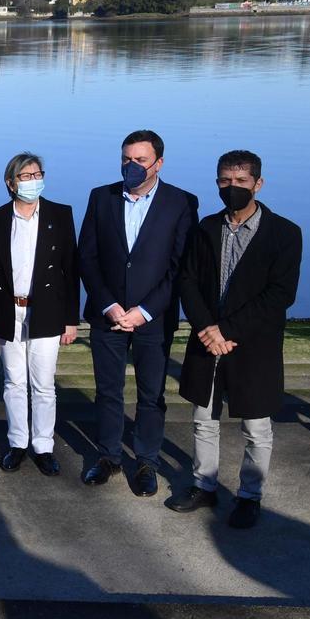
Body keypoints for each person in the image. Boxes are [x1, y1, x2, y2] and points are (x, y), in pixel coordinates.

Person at [168, 150, 302, 529]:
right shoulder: (205, 228)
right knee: (203, 418)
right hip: (207, 340)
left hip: (253, 343)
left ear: (258, 184)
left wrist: (227, 330)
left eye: (241, 182)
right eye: (225, 181)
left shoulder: (285, 234)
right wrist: (207, 328)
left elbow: (280, 294)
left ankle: (249, 496)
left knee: (257, 427)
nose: (232, 188)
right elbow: (188, 281)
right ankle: (203, 484)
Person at [78, 130, 198, 496]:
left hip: (154, 318)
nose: (131, 165)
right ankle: (108, 456)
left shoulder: (181, 203)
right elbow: (87, 256)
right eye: (126, 158)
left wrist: (144, 310)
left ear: (158, 163)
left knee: (151, 394)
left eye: (140, 160)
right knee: (108, 391)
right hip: (108, 315)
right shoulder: (102, 197)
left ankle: (147, 461)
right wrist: (109, 305)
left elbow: (181, 266)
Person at [0, 153, 79, 476]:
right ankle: (18, 443)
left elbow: (71, 271)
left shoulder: (60, 215)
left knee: (44, 384)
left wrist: (71, 320)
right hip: (9, 310)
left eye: (37, 175)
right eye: (26, 176)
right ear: (11, 182)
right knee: (14, 382)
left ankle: (44, 446)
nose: (34, 181)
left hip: (47, 311)